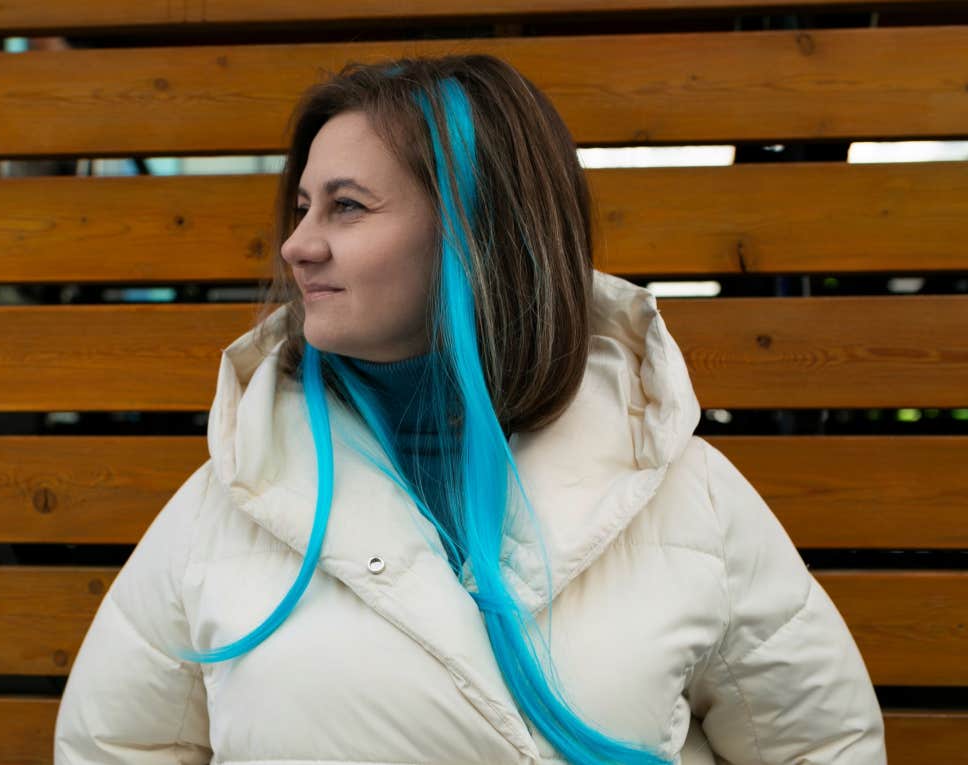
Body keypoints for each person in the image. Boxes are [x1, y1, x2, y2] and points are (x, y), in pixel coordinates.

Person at [54, 54, 886, 764]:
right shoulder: (230, 503)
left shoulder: (682, 495)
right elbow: (110, 747)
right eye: (303, 206)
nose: (298, 243)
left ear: (476, 231)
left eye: (346, 205)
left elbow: (825, 743)